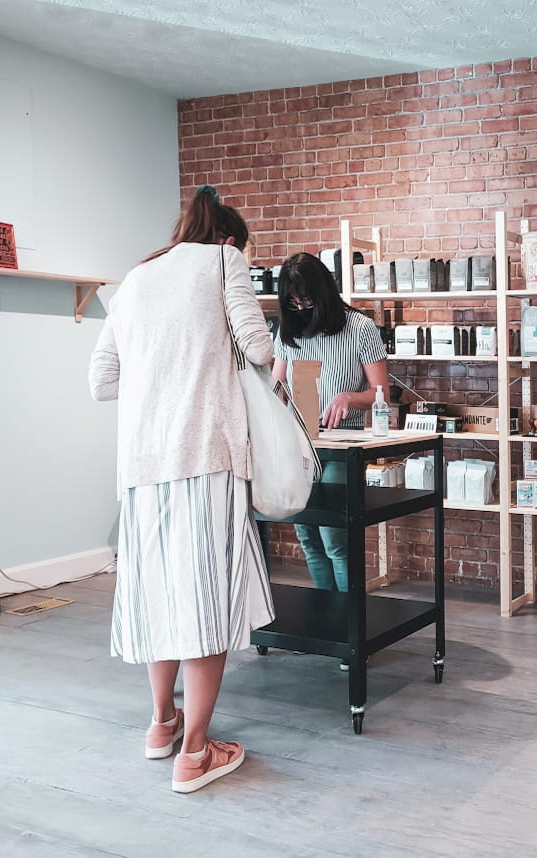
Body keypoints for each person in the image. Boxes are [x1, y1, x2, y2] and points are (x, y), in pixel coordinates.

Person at [88, 185, 274, 793]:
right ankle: (195, 754)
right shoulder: (226, 261)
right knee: (207, 605)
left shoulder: (137, 277)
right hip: (205, 455)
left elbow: (102, 381)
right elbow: (258, 347)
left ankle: (161, 724)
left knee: (160, 597)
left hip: (142, 466)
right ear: (227, 238)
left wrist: (161, 376)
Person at [273, 252, 389, 594]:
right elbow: (276, 387)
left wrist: (350, 397)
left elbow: (382, 393)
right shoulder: (288, 331)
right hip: (298, 445)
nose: (300, 308)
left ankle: (348, 626)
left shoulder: (360, 328)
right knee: (307, 535)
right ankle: (324, 617)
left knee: (335, 539)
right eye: (292, 303)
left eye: (306, 299)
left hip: (341, 447)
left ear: (323, 292)